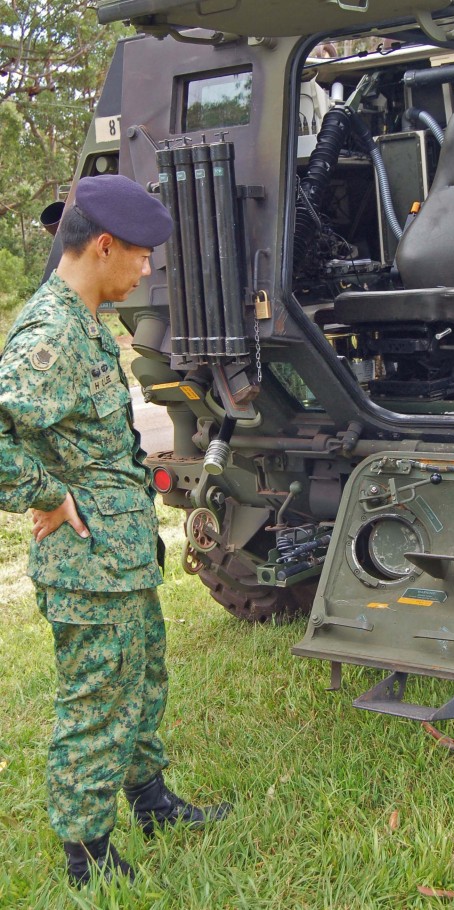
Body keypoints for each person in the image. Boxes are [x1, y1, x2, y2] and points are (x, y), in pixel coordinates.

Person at [0, 175, 231, 886]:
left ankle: (151, 800)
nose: (146, 270)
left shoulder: (87, 322)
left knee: (141, 680)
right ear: (103, 246)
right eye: (140, 256)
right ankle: (87, 856)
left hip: (121, 559)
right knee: (97, 701)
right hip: (86, 566)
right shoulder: (51, 334)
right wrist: (45, 494)